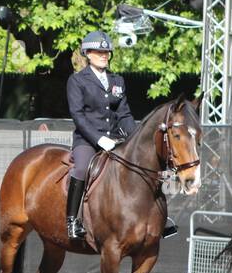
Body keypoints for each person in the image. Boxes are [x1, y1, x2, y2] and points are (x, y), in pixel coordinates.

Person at [64, 31, 178, 241]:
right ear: (88, 53)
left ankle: (161, 219)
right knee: (81, 168)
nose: (104, 54)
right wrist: (99, 139)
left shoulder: (117, 80)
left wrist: (137, 139)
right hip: (88, 140)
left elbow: (124, 113)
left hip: (116, 138)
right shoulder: (77, 81)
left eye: (107, 51)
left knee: (148, 165)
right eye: (99, 51)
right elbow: (78, 116)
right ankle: (72, 220)